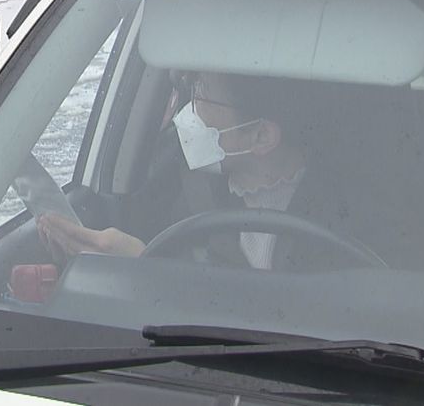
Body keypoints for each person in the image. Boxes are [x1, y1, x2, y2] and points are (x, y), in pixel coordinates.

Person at [37, 71, 314, 269]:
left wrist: (147, 266)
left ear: (261, 136)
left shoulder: (344, 211)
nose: (188, 108)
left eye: (201, 93)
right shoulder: (176, 186)